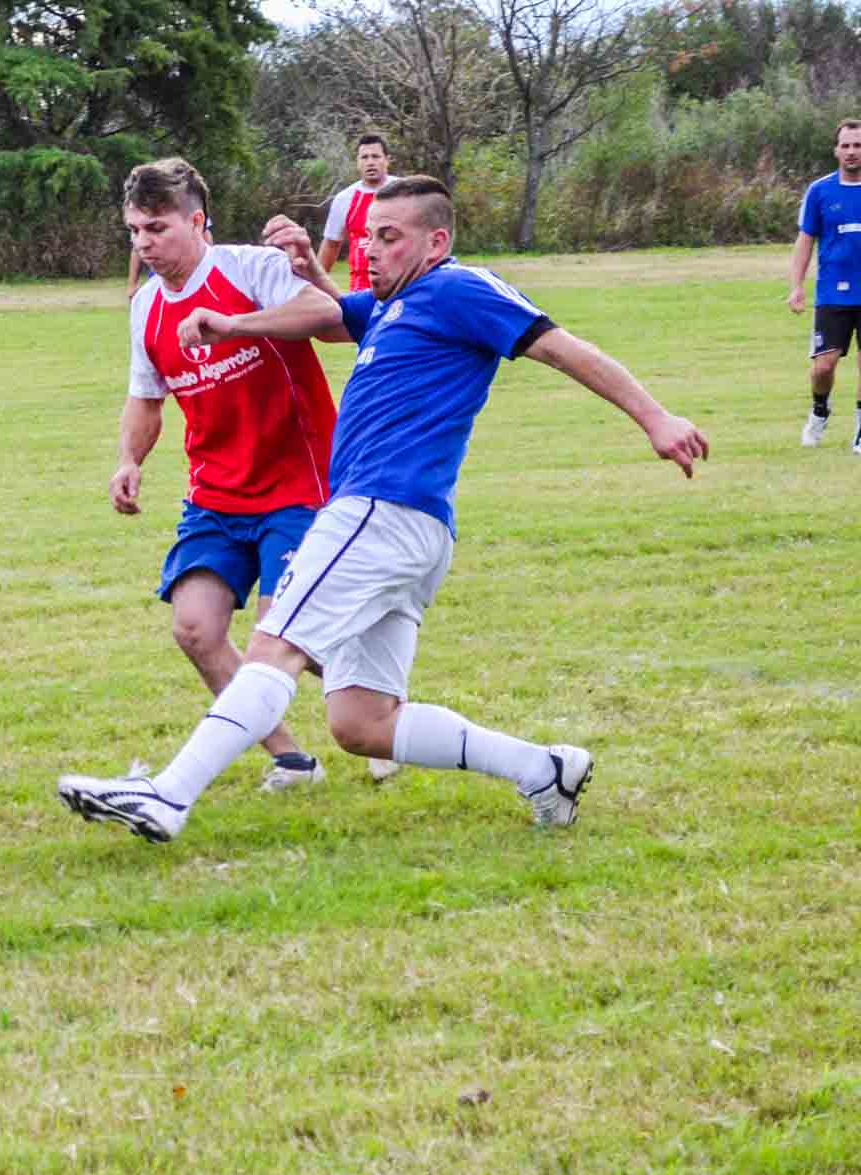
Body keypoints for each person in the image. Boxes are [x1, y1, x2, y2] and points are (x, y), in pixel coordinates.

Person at [58, 175, 710, 843]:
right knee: (361, 722)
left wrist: (655, 418)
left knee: (273, 644)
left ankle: (167, 796)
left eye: (389, 238)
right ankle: (544, 768)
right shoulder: (392, 305)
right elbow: (332, 316)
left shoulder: (459, 288)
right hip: (412, 529)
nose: (371, 249)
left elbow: (560, 346)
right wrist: (245, 316)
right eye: (369, 236)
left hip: (379, 509)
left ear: (437, 241)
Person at [114, 157, 338, 792]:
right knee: (194, 629)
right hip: (217, 496)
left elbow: (325, 316)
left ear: (197, 221)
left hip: (301, 485)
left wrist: (235, 323)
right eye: (134, 231)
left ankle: (379, 705)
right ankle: (292, 758)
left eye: (156, 228)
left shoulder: (251, 269)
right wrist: (130, 460)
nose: (143, 244)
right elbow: (146, 397)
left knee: (286, 637)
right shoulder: (148, 308)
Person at [788, 118, 861, 450]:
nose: (851, 152)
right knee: (824, 366)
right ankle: (820, 410)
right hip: (834, 292)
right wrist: (797, 286)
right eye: (845, 145)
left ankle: (860, 429)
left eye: (857, 145)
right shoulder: (820, 191)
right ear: (836, 150)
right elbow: (805, 241)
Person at [318, 134, 397, 292]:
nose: (370, 162)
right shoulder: (344, 199)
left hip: (400, 283)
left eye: (375, 156)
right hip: (361, 288)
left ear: (387, 160)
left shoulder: (404, 191)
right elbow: (331, 245)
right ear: (358, 163)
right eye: (364, 157)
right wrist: (315, 284)